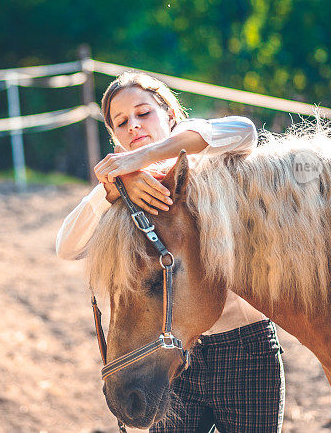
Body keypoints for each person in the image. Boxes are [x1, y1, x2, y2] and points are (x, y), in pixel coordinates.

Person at [56, 71, 284, 432]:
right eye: (121, 122)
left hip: (244, 347)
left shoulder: (208, 158)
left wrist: (143, 157)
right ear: (114, 137)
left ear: (170, 115)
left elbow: (246, 132)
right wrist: (114, 187)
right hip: (172, 356)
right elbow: (67, 246)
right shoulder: (123, 191)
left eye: (143, 113)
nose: (133, 125)